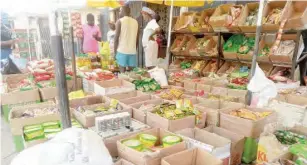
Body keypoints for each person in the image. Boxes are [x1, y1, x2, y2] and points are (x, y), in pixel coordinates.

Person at [114, 5, 139, 73]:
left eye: (119, 11)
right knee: (132, 74)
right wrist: (134, 49)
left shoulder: (120, 21)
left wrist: (115, 53)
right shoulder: (136, 22)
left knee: (122, 73)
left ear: (122, 11)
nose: (119, 12)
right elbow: (137, 39)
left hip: (122, 51)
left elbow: (116, 38)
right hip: (132, 51)